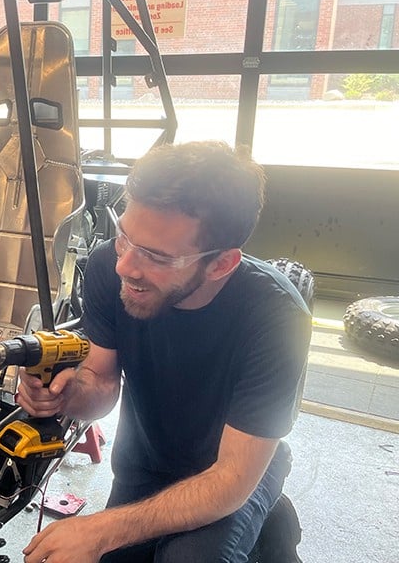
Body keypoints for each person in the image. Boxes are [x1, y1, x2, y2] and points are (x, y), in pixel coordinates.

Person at [18, 141, 311, 563]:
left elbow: (229, 479)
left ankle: (264, 519)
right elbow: (100, 380)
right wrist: (67, 396)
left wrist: (100, 529)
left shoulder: (277, 317)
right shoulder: (108, 267)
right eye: (124, 237)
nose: (126, 266)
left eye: (156, 256)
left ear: (221, 264)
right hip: (144, 465)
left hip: (235, 473)